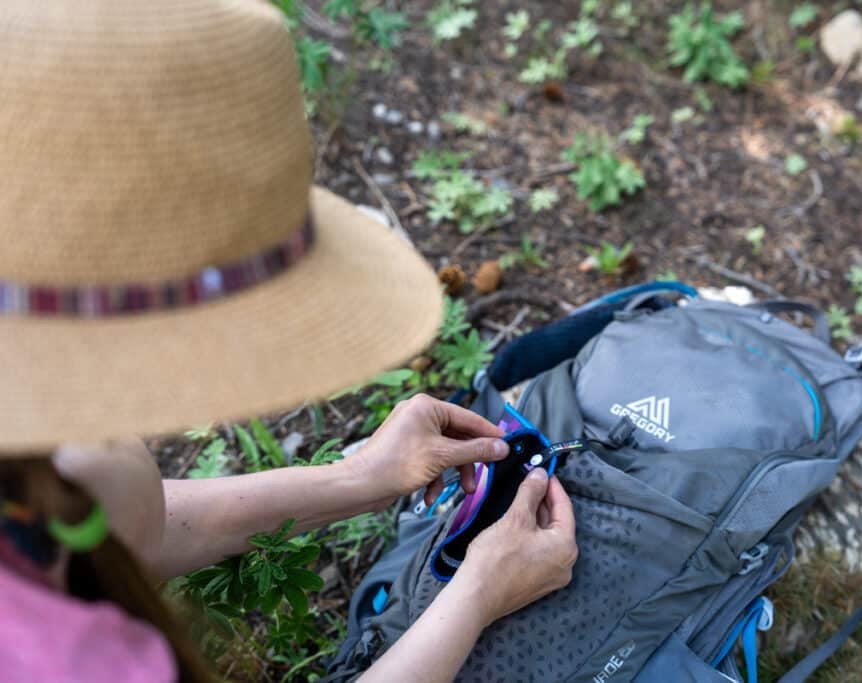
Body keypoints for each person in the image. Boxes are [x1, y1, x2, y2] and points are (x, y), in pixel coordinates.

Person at [0, 1, 578, 682]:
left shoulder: (49, 460)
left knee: (108, 472)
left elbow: (131, 524)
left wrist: (359, 477)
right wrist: (478, 594)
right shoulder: (54, 658)